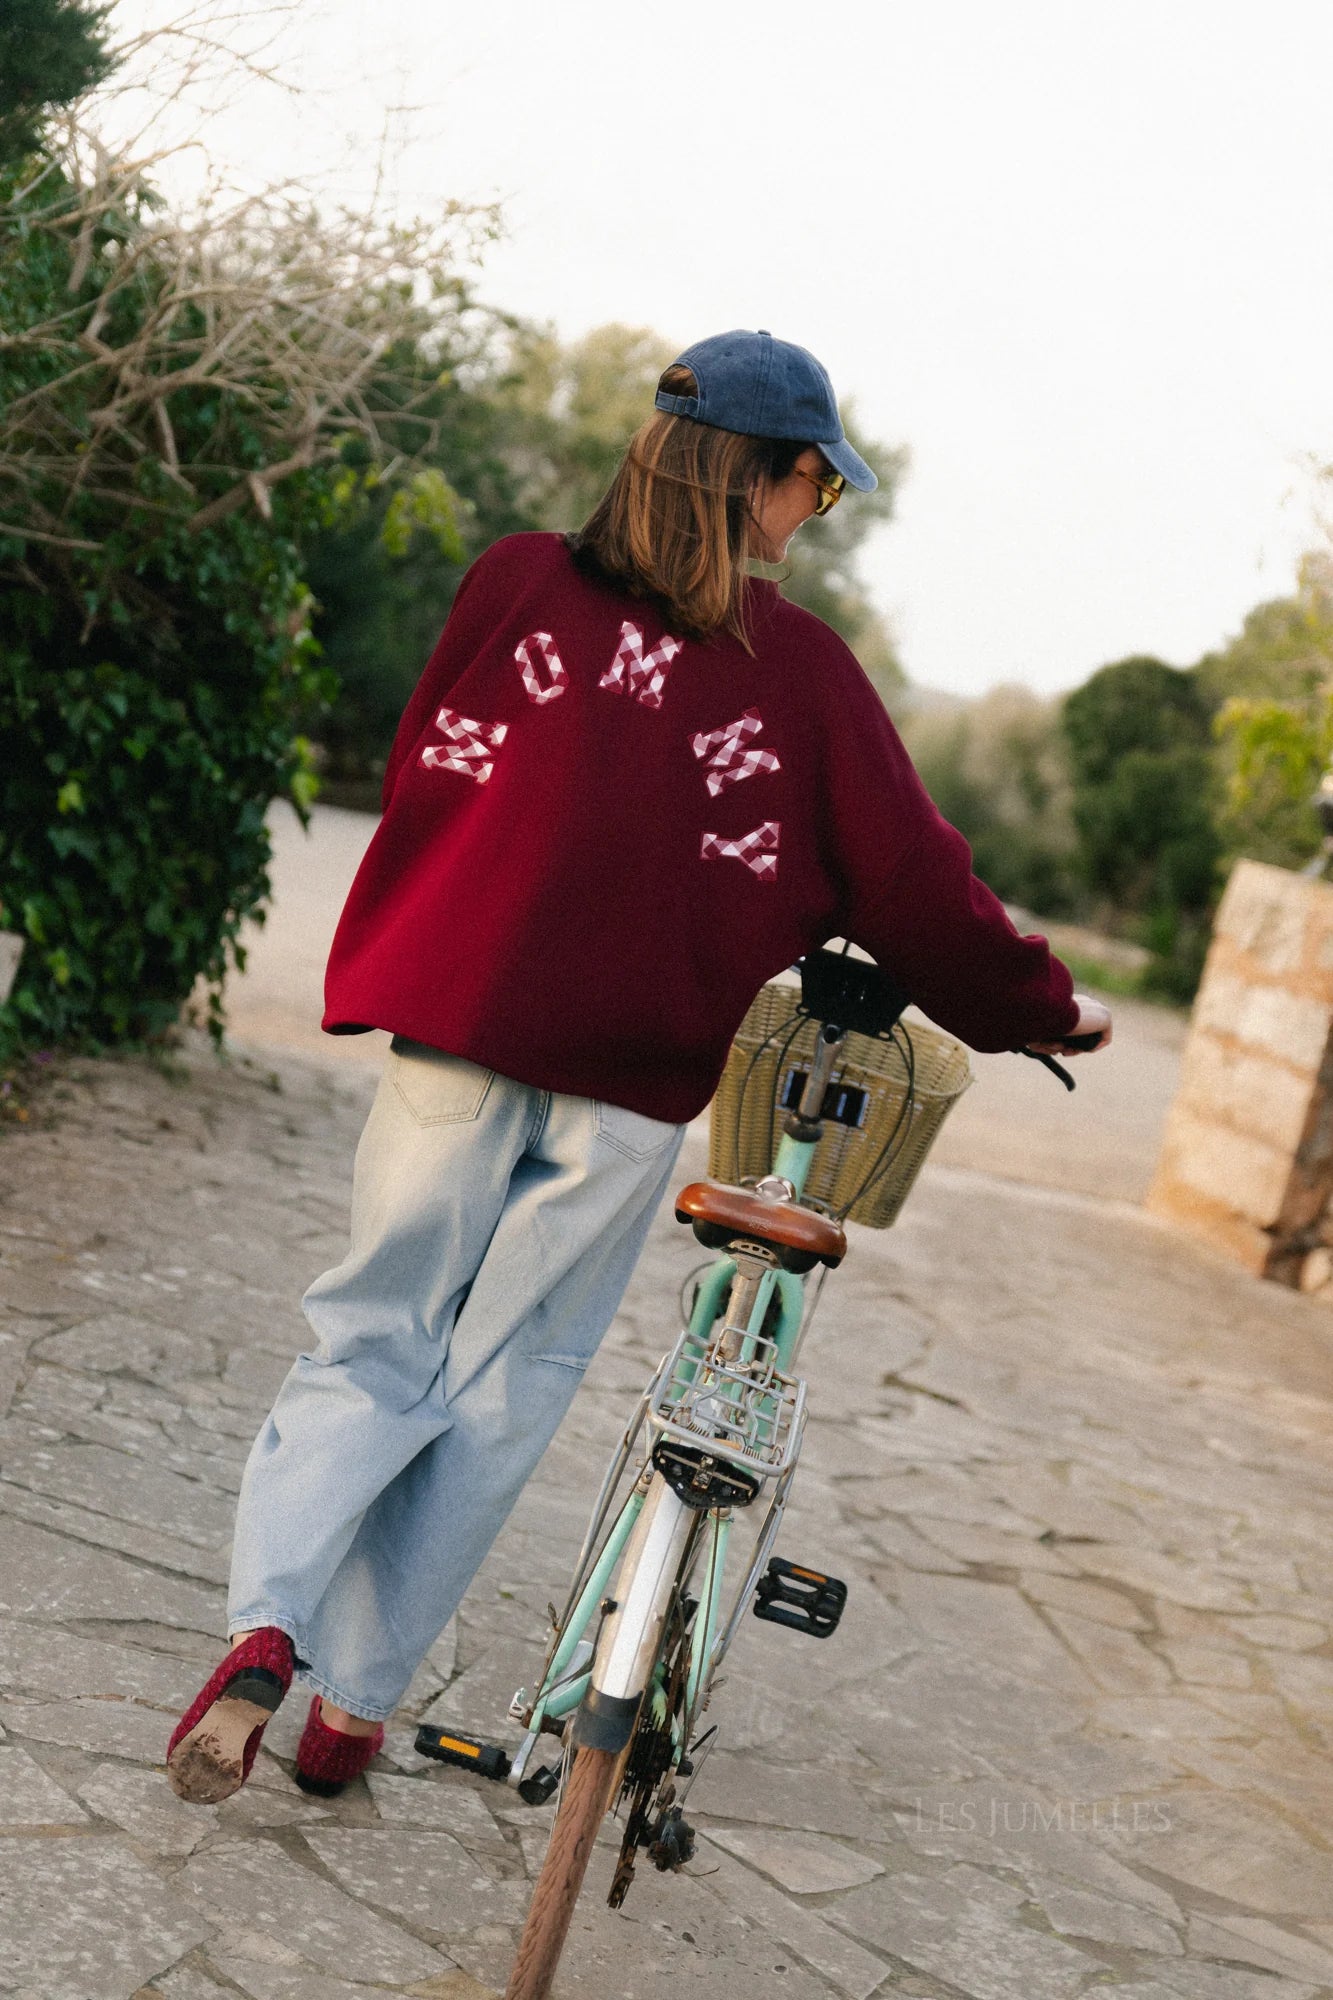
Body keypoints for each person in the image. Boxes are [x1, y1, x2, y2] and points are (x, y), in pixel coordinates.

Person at [165, 328, 1111, 1803]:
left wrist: (467, 923)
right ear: (760, 475)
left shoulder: (513, 584)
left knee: (369, 1336)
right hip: (622, 1084)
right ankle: (352, 1707)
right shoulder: (801, 675)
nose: (816, 517)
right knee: (501, 1389)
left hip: (458, 1032)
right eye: (818, 487)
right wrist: (1035, 1006)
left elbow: (433, 770)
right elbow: (915, 885)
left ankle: (264, 1631)